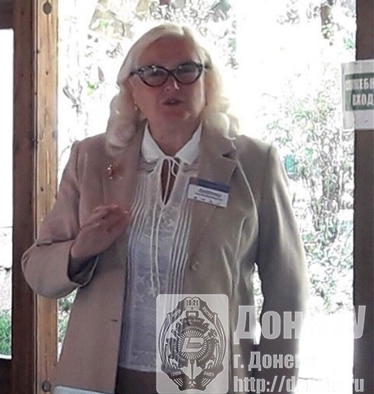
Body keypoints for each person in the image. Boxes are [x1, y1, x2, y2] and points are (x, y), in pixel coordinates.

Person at [21, 23, 307, 394]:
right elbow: (37, 269)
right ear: (132, 89)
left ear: (208, 82)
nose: (171, 85)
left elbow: (286, 288)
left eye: (187, 70)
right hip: (101, 379)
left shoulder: (255, 163)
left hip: (207, 380)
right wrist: (78, 252)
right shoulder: (90, 158)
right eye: (154, 73)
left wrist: (272, 386)